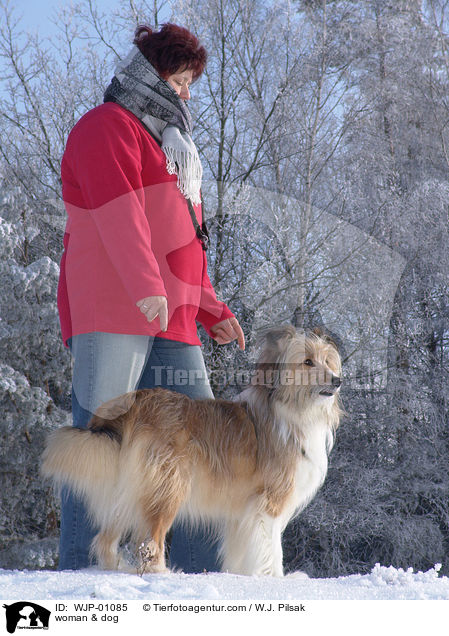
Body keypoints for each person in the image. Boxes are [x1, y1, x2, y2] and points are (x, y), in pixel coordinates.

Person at [57, 22, 245, 572]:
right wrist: (145, 289)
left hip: (173, 315)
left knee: (199, 439)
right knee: (102, 435)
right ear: (156, 71)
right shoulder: (105, 127)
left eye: (191, 83)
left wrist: (213, 308)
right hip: (117, 306)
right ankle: (84, 569)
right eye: (182, 79)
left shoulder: (172, 146)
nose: (187, 92)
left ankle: (185, 572)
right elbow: (120, 219)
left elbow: (183, 240)